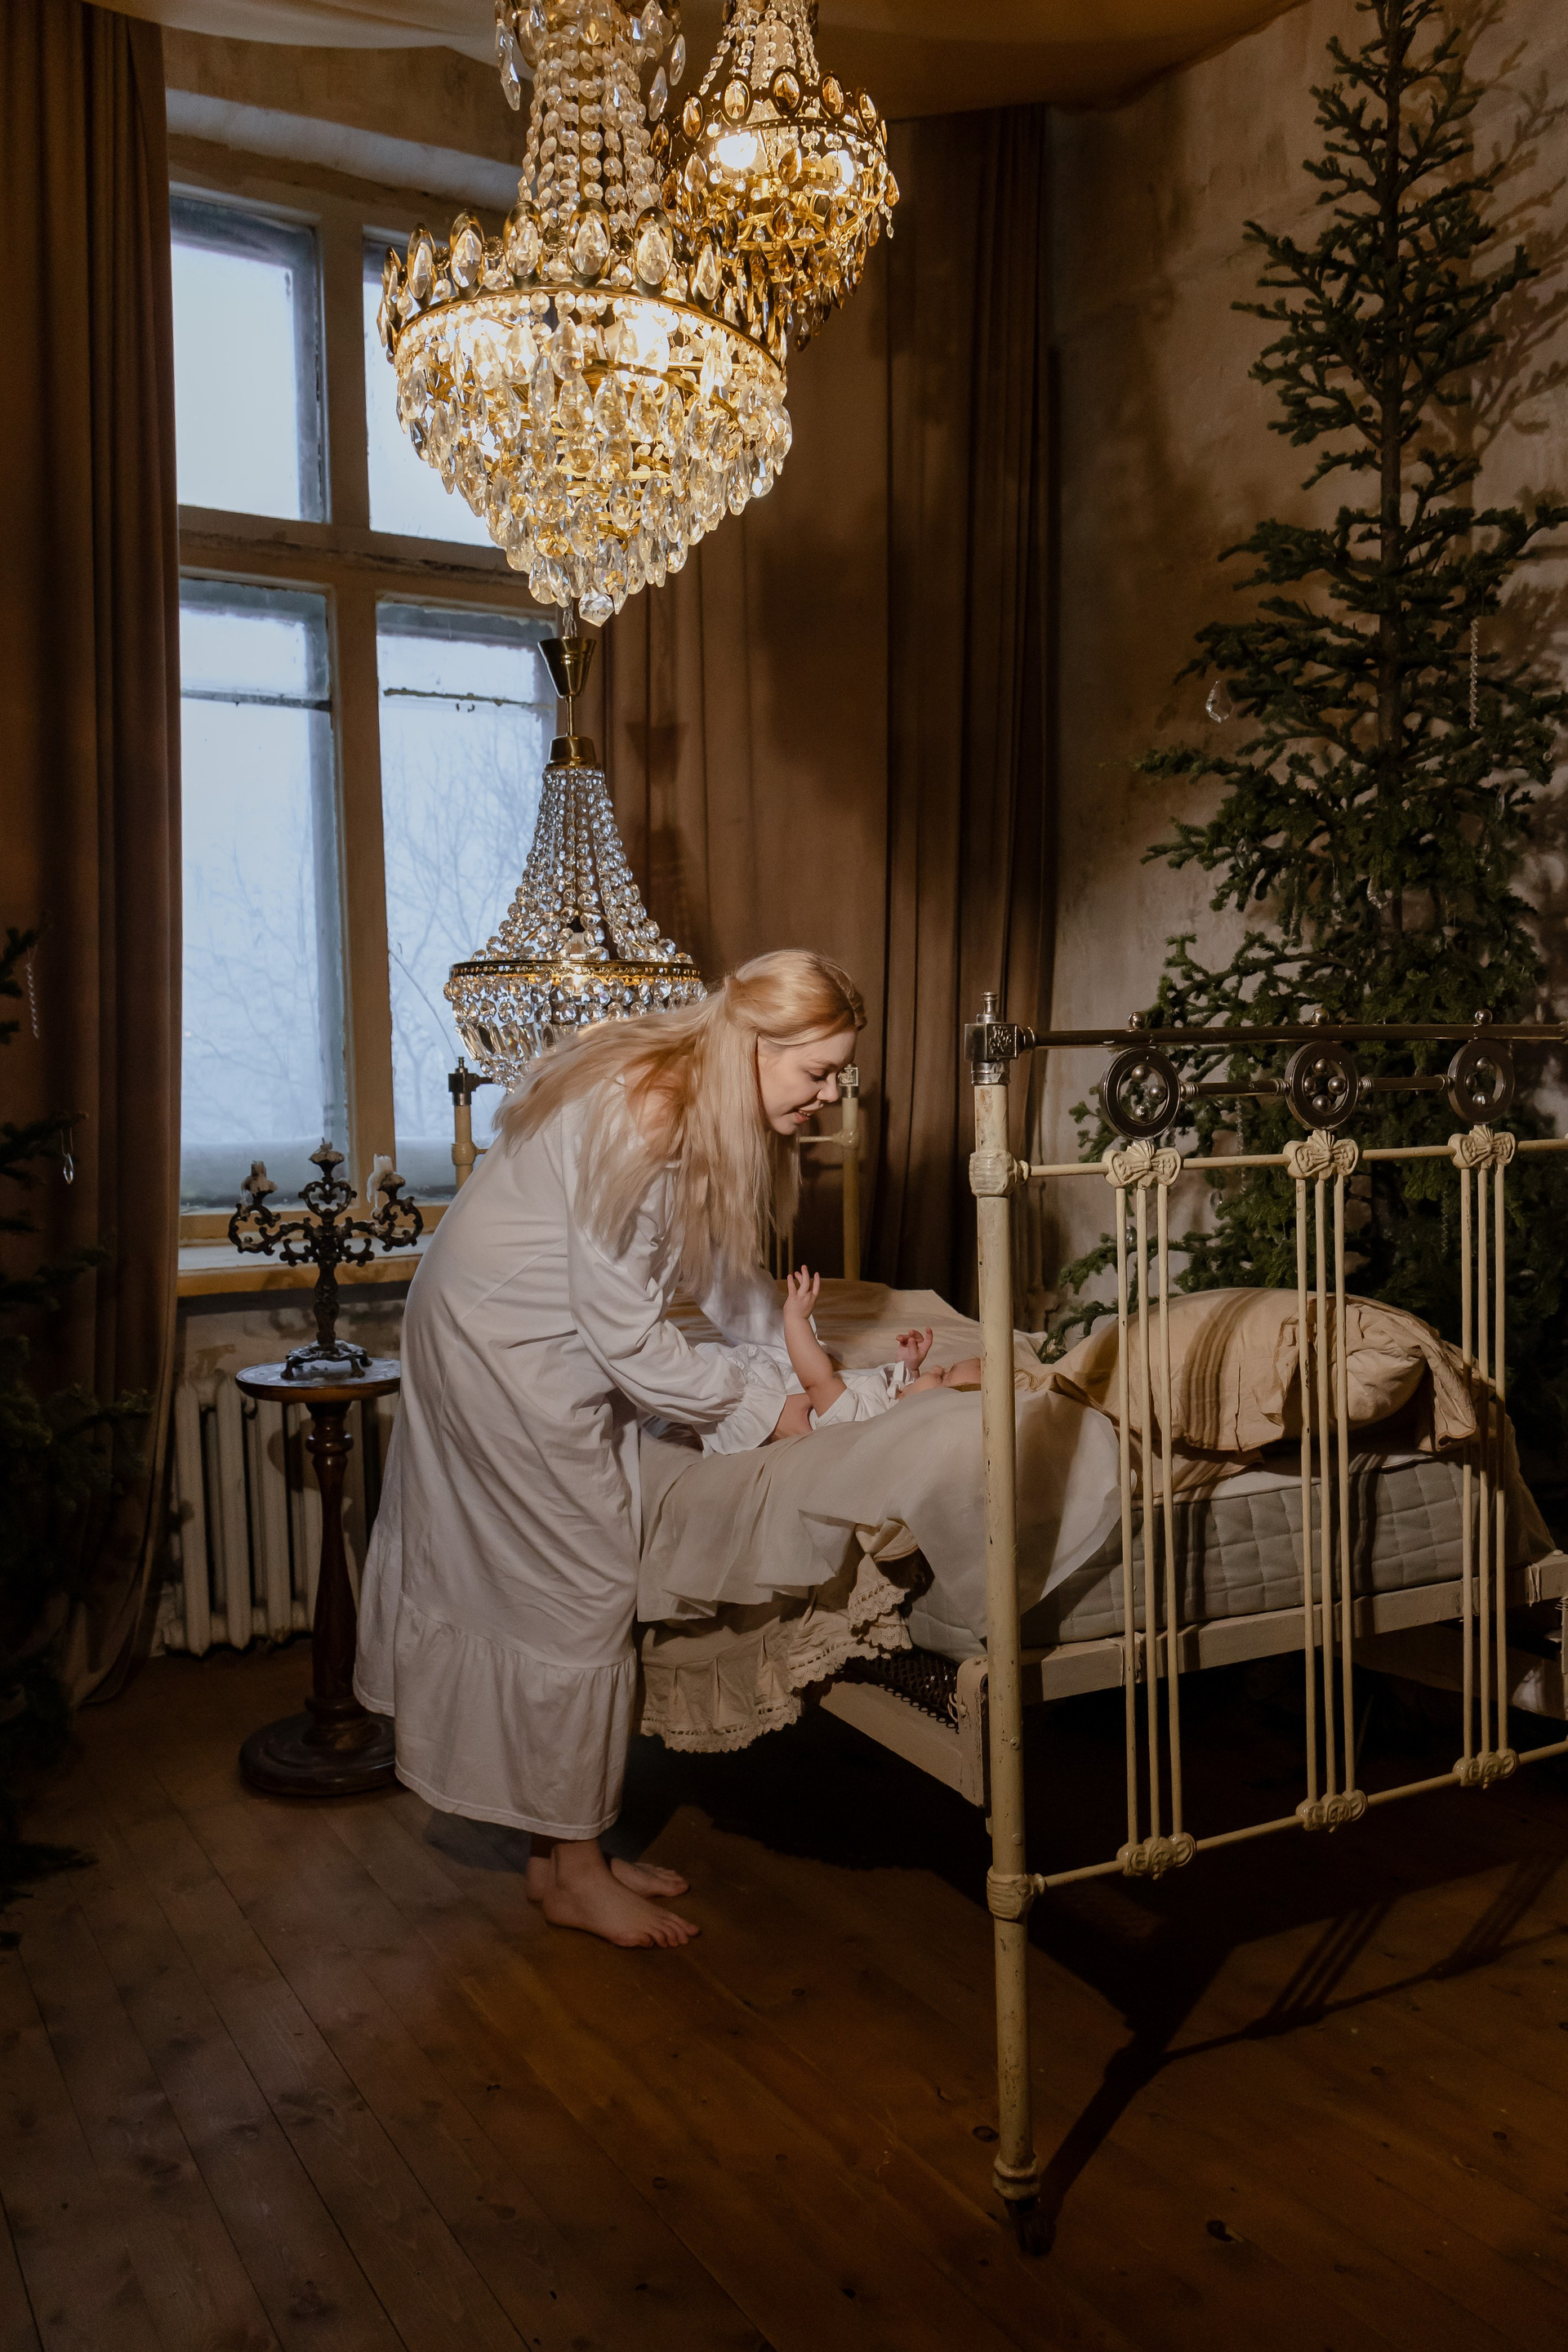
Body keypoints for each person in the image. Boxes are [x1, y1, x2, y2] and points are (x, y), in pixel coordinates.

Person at [355, 951, 864, 1949]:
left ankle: (559, 1857)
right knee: (579, 1589)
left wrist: (794, 1358)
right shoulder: (649, 1113)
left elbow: (713, 1271)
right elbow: (626, 1336)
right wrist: (757, 1405)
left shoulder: (694, 1093)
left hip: (500, 1322)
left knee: (555, 1588)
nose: (834, 1095)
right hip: (502, 1344)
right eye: (820, 1072)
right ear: (756, 1046)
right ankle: (578, 1874)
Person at [780, 1266, 982, 1426]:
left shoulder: (864, 1419)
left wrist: (796, 1319)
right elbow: (907, 1392)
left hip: (780, 1394)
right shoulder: (901, 1402)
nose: (937, 1367)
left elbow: (817, 1382)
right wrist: (909, 1366)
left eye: (943, 1376)